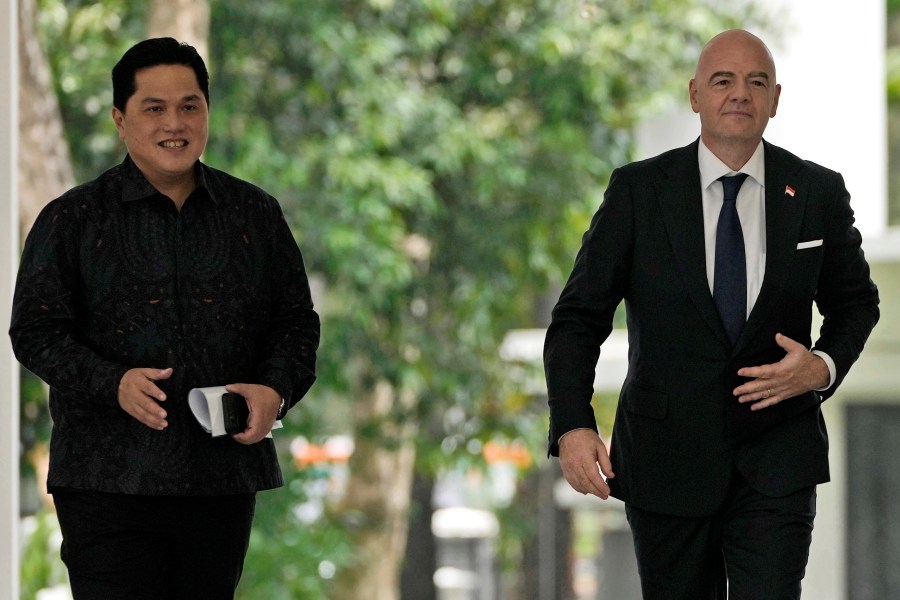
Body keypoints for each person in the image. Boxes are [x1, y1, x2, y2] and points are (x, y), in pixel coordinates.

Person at [543, 29, 879, 599]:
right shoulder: (638, 192)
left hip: (777, 462)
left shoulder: (818, 191)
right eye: (723, 81)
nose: (740, 94)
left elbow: (856, 305)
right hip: (665, 460)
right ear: (696, 94)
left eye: (757, 82)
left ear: (776, 99)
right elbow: (578, 318)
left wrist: (821, 366)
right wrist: (573, 424)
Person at [9, 38, 319, 599]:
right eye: (154, 108)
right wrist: (112, 383)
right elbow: (34, 331)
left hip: (220, 482)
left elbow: (297, 323)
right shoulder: (73, 218)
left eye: (189, 105)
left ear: (206, 112)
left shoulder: (255, 214)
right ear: (120, 120)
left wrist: (277, 389)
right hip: (107, 481)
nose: (174, 123)